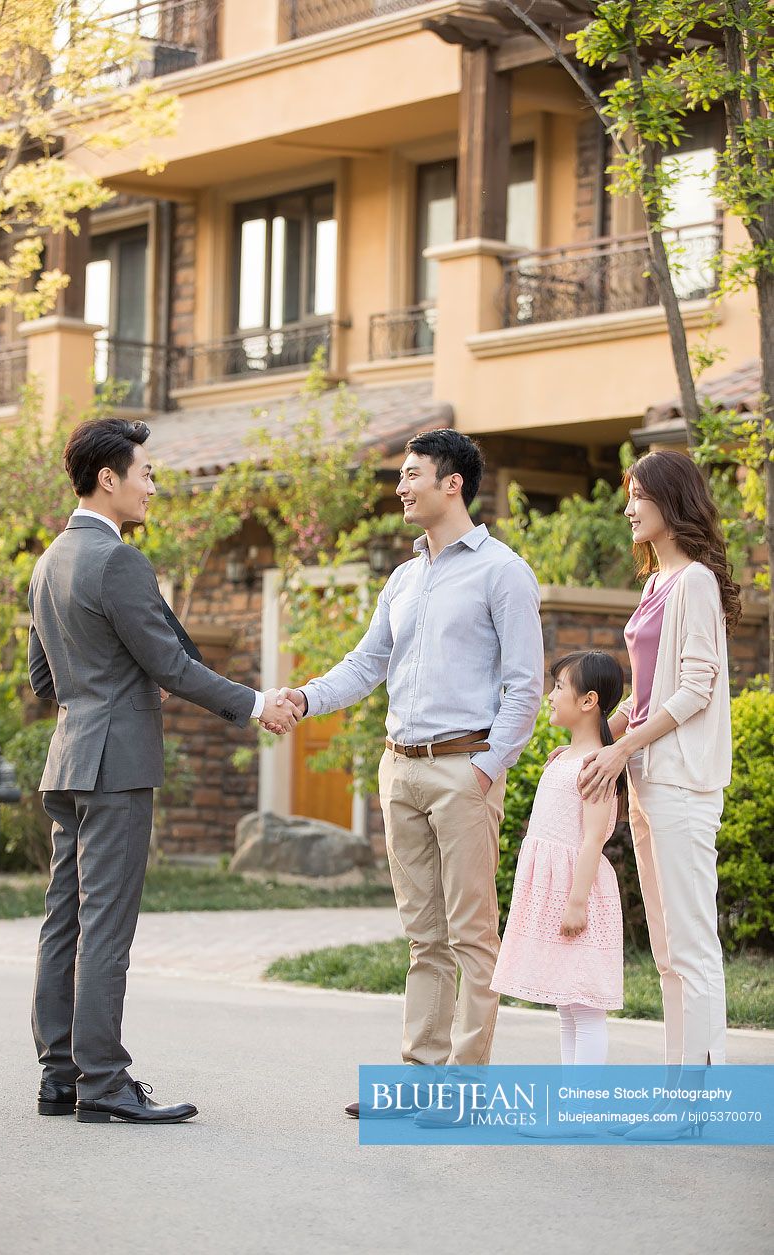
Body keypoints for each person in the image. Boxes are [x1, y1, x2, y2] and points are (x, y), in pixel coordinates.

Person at [28, 417, 300, 1125]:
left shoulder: (49, 559)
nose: (153, 484)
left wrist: (93, 693)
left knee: (65, 922)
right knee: (106, 925)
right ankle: (105, 1083)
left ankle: (60, 1075)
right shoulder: (116, 560)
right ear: (108, 478)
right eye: (145, 472)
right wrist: (255, 703)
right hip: (115, 765)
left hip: (67, 758)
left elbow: (41, 678)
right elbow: (170, 666)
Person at [276, 429, 544, 1123]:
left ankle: (465, 1086)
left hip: (463, 769)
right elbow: (367, 665)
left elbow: (524, 687)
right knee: (423, 936)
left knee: (470, 934)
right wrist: (303, 698)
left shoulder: (501, 571)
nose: (399, 487)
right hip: (401, 768)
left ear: (451, 483)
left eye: (410, 474)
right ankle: (419, 1078)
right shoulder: (404, 577)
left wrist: (486, 770)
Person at [576, 449, 741, 1072]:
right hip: (649, 778)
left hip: (684, 782)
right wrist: (600, 742)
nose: (628, 507)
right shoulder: (654, 583)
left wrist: (622, 746)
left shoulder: (695, 581)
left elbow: (695, 688)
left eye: (639, 496)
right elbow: (647, 697)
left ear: (671, 503)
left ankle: (705, 1084)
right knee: (668, 945)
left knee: (693, 941)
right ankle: (679, 1080)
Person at [490, 651, 625, 1067]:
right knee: (567, 1007)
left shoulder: (594, 767)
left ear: (588, 701)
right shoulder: (565, 758)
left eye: (559, 688)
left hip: (577, 894)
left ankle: (584, 1107)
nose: (550, 696)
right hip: (558, 893)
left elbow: (591, 841)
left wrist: (577, 902)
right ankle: (573, 1102)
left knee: (584, 1007)